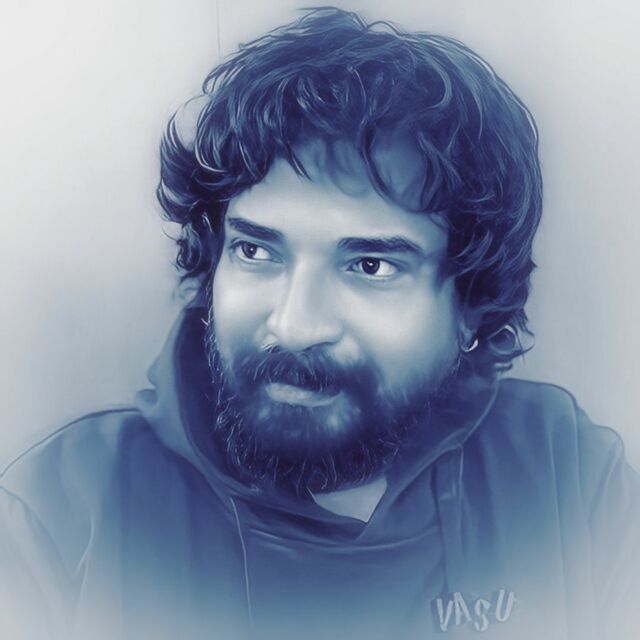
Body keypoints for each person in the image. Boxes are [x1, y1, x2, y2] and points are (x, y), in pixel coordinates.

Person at [1, 7, 638, 640]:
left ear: (471, 305)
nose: (295, 325)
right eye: (256, 251)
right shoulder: (60, 516)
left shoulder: (568, 480)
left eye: (370, 265)